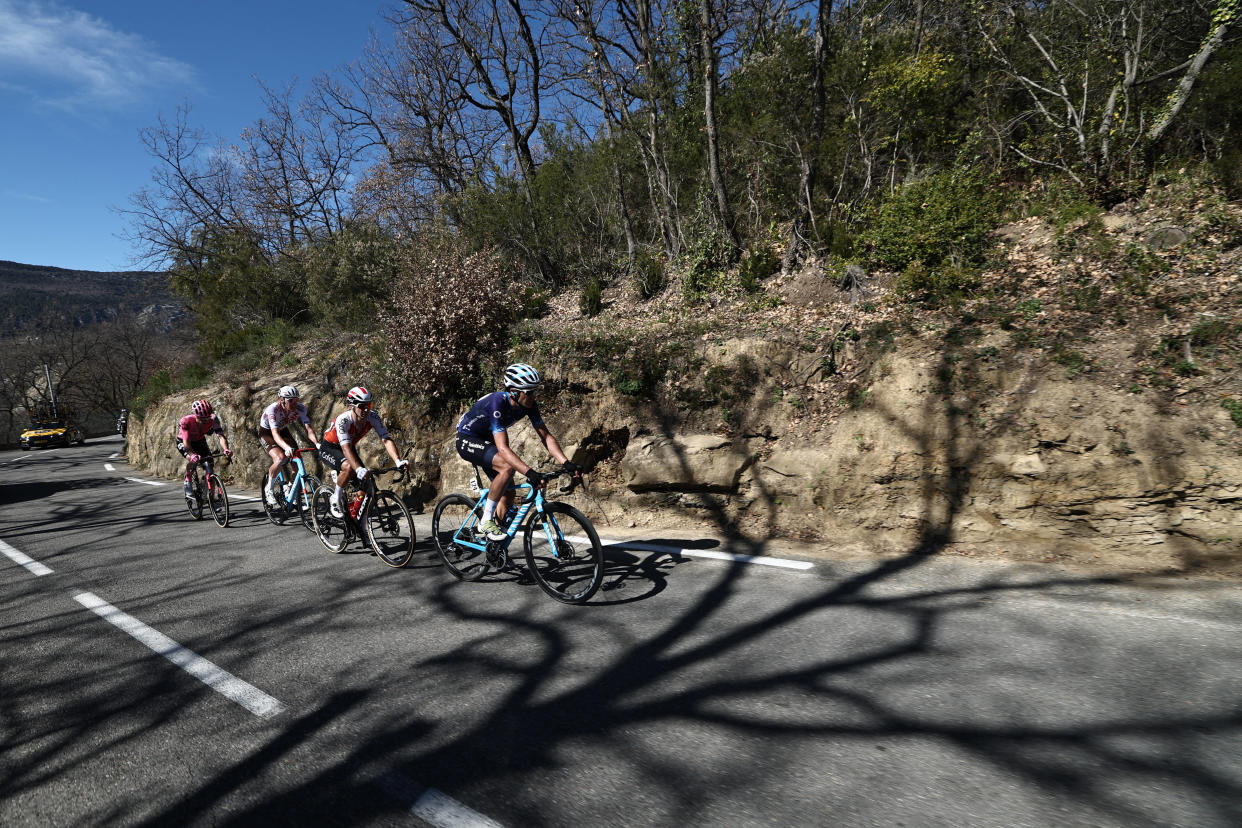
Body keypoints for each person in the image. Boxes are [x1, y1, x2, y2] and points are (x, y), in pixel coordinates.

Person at [455, 363, 580, 540]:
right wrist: (530, 472)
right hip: (468, 438)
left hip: (487, 439)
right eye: (529, 392)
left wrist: (565, 462)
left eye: (535, 391)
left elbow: (545, 436)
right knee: (506, 467)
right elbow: (503, 449)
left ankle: (494, 544)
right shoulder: (497, 403)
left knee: (508, 493)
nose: (534, 396)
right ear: (514, 391)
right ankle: (486, 521)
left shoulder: (528, 405)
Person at [319, 386, 407, 517]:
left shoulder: (373, 417)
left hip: (348, 447)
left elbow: (386, 439)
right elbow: (346, 449)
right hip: (330, 448)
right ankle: (335, 498)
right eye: (362, 406)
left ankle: (355, 513)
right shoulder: (343, 420)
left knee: (366, 481)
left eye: (369, 404)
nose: (366, 409)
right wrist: (358, 469)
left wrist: (398, 461)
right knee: (349, 467)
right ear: (351, 406)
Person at [256, 385, 322, 505]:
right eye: (291, 400)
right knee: (280, 458)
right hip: (267, 433)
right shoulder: (273, 410)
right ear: (282, 400)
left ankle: (289, 487)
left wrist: (317, 444)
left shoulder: (301, 408)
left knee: (297, 462)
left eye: (296, 399)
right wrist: (286, 448)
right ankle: (269, 489)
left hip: (283, 430)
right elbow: (275, 435)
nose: (295, 403)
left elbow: (309, 428)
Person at [176, 399, 233, 498]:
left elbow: (220, 436)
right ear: (196, 416)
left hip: (199, 440)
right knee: (192, 460)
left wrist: (226, 449)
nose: (205, 421)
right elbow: (186, 443)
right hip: (184, 441)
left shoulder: (213, 419)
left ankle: (210, 497)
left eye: (207, 419)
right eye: (202, 419)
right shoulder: (186, 421)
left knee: (209, 465)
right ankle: (188, 480)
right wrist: (192, 455)